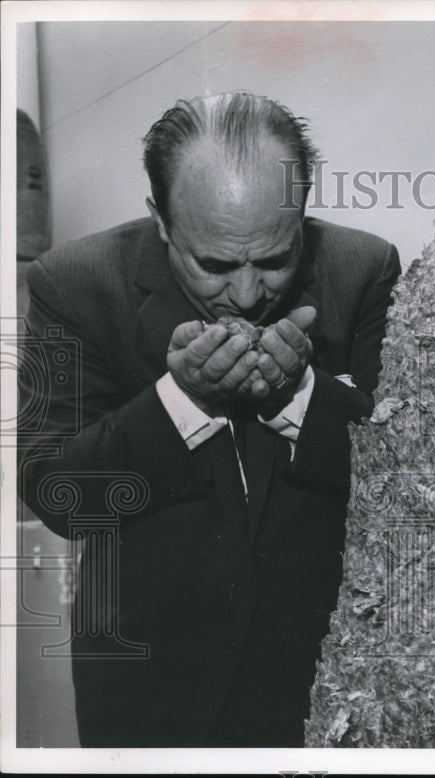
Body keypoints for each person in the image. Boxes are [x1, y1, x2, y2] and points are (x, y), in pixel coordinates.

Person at [17, 92, 401, 747]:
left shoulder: (362, 270)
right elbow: (59, 495)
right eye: (217, 264)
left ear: (302, 213)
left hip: (325, 674)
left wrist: (300, 395)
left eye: (276, 260)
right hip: (151, 684)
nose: (249, 294)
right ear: (161, 221)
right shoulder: (74, 284)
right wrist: (182, 401)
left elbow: (409, 480)